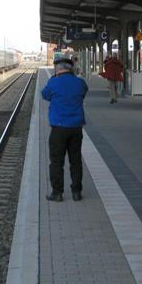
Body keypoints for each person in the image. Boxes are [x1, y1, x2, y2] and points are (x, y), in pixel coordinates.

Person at [41, 56, 88, 202]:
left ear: (58, 69)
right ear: (71, 69)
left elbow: (45, 95)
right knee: (75, 160)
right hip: (76, 128)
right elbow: (83, 94)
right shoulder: (80, 83)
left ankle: (57, 193)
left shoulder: (53, 82)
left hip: (59, 129)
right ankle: (76, 192)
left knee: (56, 161)